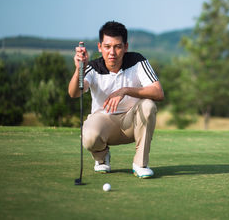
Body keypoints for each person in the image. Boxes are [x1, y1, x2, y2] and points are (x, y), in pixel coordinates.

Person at [68, 21, 164, 178]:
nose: (112, 52)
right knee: (89, 137)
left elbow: (158, 92)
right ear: (100, 47)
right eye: (107, 46)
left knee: (148, 105)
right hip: (104, 124)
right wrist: (79, 69)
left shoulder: (137, 61)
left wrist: (125, 91)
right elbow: (74, 93)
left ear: (125, 47)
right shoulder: (92, 67)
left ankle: (140, 164)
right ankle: (101, 157)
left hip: (132, 123)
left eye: (117, 46)